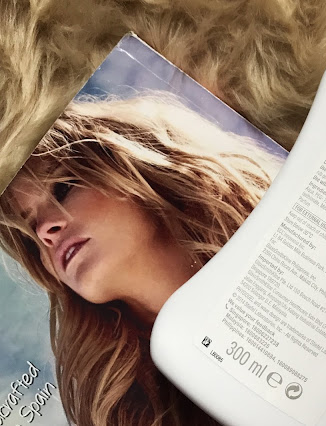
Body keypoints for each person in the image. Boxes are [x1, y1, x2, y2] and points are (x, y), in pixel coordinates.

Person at [0, 93, 282, 426]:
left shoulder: (286, 243)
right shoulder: (126, 411)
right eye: (30, 233)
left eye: (63, 188)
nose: (45, 231)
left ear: (134, 163)